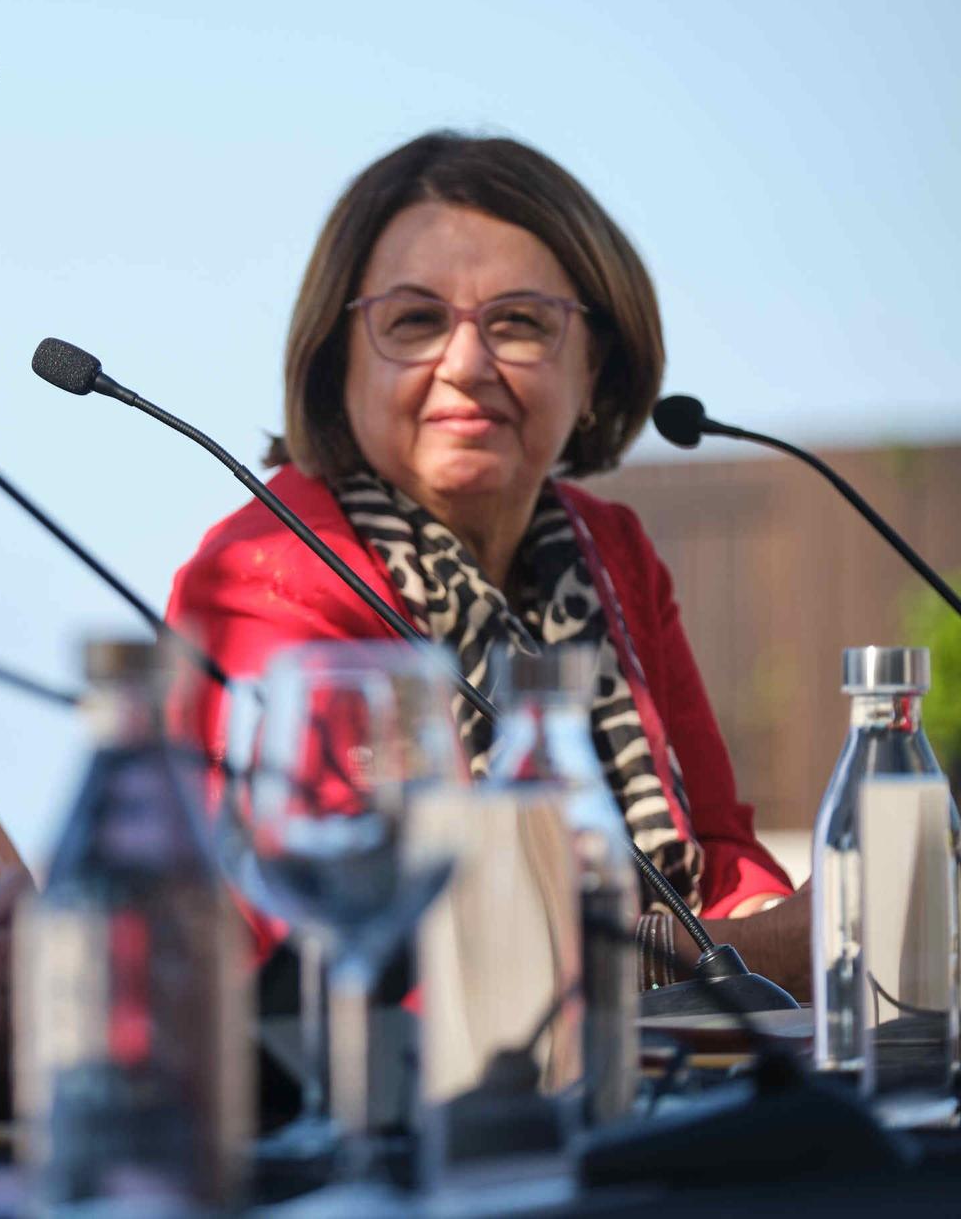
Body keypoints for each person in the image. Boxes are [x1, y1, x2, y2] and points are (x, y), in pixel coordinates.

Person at [166, 131, 807, 995]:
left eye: (519, 323)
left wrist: (805, 932)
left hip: (651, 1084)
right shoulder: (265, 571)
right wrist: (753, 955)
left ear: (595, 366)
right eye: (416, 320)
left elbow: (724, 854)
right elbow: (373, 941)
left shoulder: (615, 552)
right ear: (335, 360)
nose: (466, 365)